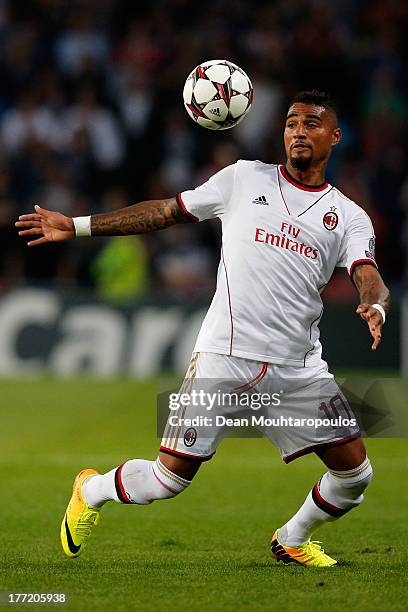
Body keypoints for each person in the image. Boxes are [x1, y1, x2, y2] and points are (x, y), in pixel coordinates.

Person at [16, 90, 390, 567]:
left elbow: (368, 274)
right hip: (224, 355)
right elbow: (167, 211)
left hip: (298, 369)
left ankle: (292, 538)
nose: (299, 131)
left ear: (335, 137)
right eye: (292, 122)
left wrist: (375, 304)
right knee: (168, 481)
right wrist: (79, 225)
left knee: (355, 477)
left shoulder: (349, 216)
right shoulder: (242, 179)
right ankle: (90, 489)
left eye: (313, 123)